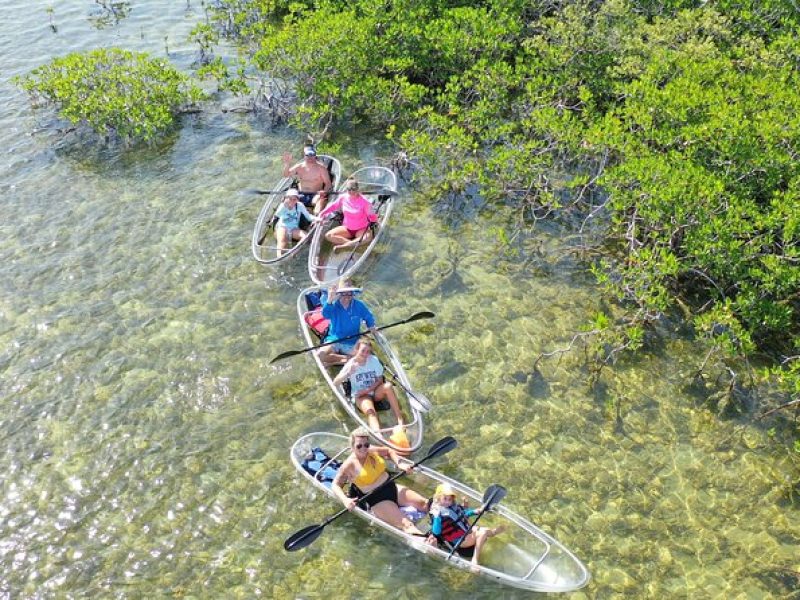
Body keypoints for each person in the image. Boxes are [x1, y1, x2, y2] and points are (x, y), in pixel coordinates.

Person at [331, 427, 431, 536]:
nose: (364, 448)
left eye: (366, 444)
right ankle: (428, 543)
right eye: (359, 446)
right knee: (407, 525)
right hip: (377, 499)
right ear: (352, 446)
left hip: (391, 487)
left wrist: (399, 463)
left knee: (425, 504)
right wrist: (345, 500)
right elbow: (335, 485)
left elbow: (389, 451)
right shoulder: (349, 465)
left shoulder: (371, 450)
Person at [426, 483, 505, 567]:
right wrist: (437, 517)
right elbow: (436, 532)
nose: (448, 502)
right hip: (460, 541)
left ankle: (493, 533)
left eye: (450, 499)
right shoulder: (437, 512)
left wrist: (475, 511)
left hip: (465, 532)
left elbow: (463, 514)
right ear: (438, 498)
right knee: (483, 532)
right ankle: (475, 560)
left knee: (482, 529)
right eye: (445, 499)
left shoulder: (452, 507)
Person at [333, 339, 404, 432]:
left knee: (388, 386)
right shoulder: (351, 364)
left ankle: (400, 419)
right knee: (371, 412)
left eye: (368, 352)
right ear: (357, 350)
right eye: (362, 351)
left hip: (374, 391)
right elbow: (335, 383)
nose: (365, 354)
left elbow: (379, 380)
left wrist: (368, 390)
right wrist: (348, 373)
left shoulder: (373, 360)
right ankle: (378, 434)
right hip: (361, 396)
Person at [317, 280, 376, 366]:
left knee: (366, 360)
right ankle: (347, 359)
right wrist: (329, 299)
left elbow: (368, 316)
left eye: (350, 293)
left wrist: (371, 326)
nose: (347, 296)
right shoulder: (333, 305)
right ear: (339, 293)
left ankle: (337, 361)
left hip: (353, 341)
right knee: (319, 356)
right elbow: (326, 315)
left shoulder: (359, 305)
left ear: (353, 293)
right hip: (335, 339)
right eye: (344, 293)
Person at [318, 178, 378, 251]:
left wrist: (375, 221)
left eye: (353, 189)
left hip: (361, 229)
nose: (351, 191)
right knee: (328, 235)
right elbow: (333, 206)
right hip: (347, 228)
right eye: (349, 189)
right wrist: (322, 213)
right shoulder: (343, 197)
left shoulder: (365, 202)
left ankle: (345, 246)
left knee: (368, 237)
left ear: (358, 189)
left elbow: (372, 216)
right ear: (346, 189)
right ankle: (352, 245)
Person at [282, 146, 332, 215]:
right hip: (300, 194)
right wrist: (287, 164)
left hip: (315, 195)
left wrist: (324, 192)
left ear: (315, 156)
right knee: (287, 203)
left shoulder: (321, 168)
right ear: (304, 156)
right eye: (308, 155)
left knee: (318, 208)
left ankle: (315, 220)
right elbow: (286, 175)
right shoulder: (299, 167)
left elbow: (328, 183)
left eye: (312, 155)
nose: (310, 157)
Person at [273, 188, 319, 257]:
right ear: (286, 198)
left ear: (297, 199)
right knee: (282, 242)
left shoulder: (300, 205)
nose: (292, 201)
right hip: (282, 227)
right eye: (290, 199)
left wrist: (318, 219)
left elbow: (308, 216)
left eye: (294, 199)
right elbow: (277, 215)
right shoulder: (283, 205)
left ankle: (294, 252)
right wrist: (284, 206)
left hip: (294, 228)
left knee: (305, 237)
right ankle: (279, 256)